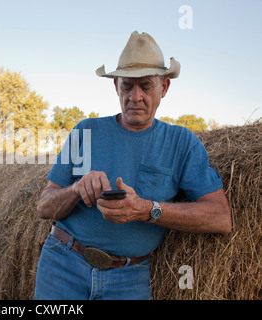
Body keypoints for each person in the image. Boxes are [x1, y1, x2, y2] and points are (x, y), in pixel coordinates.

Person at [34, 31, 231, 300]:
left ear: (164, 87)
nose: (135, 96)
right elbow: (44, 207)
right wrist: (77, 189)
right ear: (116, 86)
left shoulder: (182, 143)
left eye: (146, 86)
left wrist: (146, 210)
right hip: (63, 264)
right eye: (127, 86)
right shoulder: (85, 132)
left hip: (129, 278)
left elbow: (220, 218)